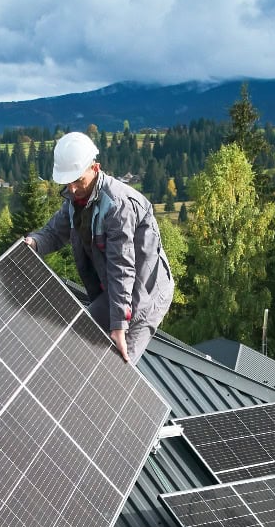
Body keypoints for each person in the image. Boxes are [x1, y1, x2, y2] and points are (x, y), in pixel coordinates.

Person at [25, 131, 174, 364]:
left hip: (143, 294)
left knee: (116, 365)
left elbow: (121, 268)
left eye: (78, 181)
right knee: (77, 341)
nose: (72, 189)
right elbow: (54, 232)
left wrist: (118, 326)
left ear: (95, 169)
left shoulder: (118, 206)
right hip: (114, 292)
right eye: (67, 183)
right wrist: (33, 243)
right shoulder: (76, 202)